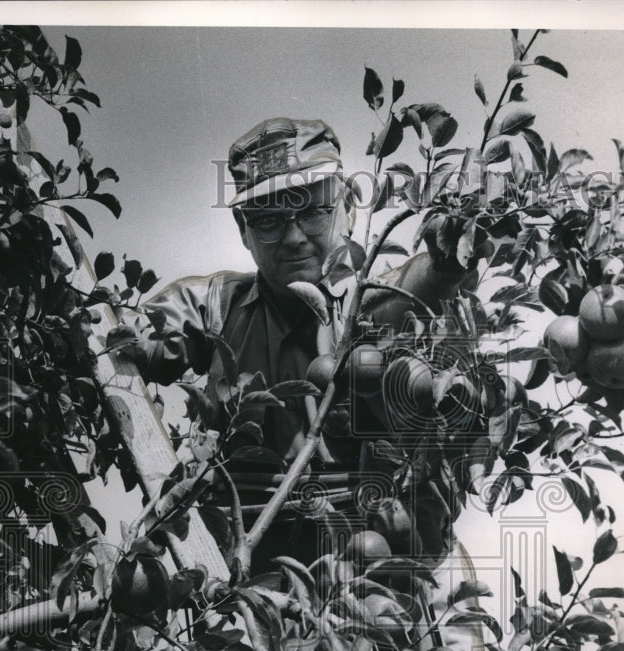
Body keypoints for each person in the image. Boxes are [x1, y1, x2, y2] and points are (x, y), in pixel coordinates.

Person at [125, 117, 472, 572]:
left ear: (347, 202)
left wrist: (444, 264)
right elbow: (125, 336)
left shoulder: (380, 304)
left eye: (311, 211)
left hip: (396, 579)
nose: (292, 237)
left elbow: (411, 286)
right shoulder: (215, 306)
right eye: (268, 221)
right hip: (258, 588)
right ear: (241, 228)